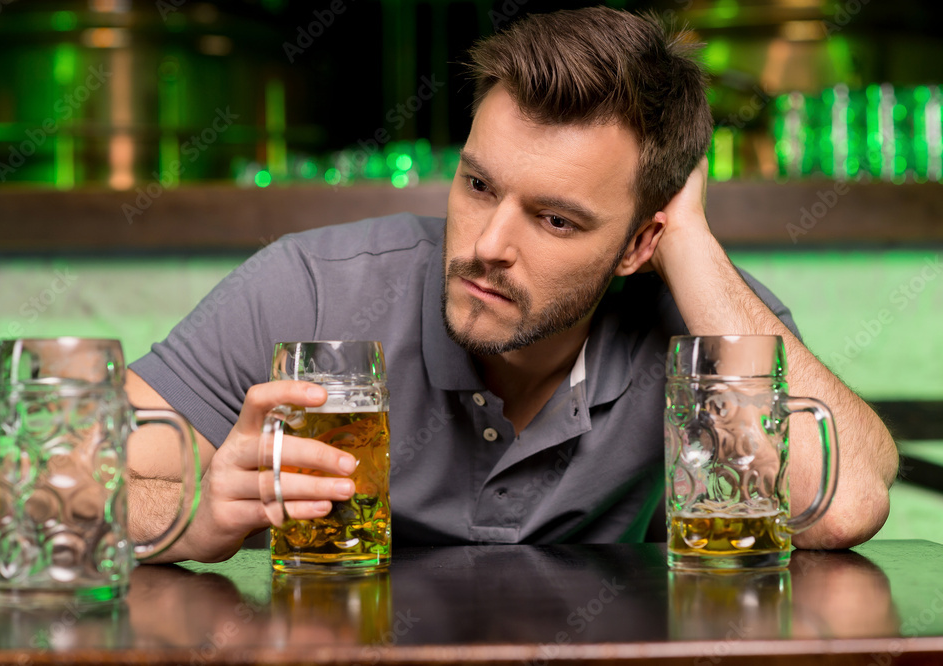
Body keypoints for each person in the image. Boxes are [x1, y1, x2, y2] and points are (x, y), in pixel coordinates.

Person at [125, 7, 897, 563]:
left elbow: (846, 506)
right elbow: (65, 474)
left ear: (638, 243)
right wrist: (191, 511)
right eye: (479, 186)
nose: (488, 247)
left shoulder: (705, 324)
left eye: (556, 220)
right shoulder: (313, 290)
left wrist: (689, 242)